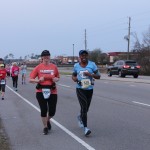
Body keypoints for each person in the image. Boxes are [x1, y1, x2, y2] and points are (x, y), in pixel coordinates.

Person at [29, 50, 60, 135]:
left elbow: (58, 77)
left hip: (52, 91)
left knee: (52, 111)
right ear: (42, 57)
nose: (46, 57)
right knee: (43, 110)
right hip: (40, 91)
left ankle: (47, 120)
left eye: (48, 55)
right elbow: (30, 79)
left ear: (50, 57)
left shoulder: (54, 67)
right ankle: (45, 127)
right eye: (44, 55)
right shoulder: (38, 67)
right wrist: (38, 80)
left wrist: (56, 79)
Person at [72, 50, 101, 136]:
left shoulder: (92, 64)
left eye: (85, 55)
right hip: (80, 89)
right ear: (79, 56)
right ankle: (85, 128)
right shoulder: (76, 66)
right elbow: (73, 76)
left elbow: (98, 76)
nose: (84, 57)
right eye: (82, 55)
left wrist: (90, 74)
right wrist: (75, 79)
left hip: (89, 89)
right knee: (84, 107)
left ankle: (80, 116)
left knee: (86, 109)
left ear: (87, 56)